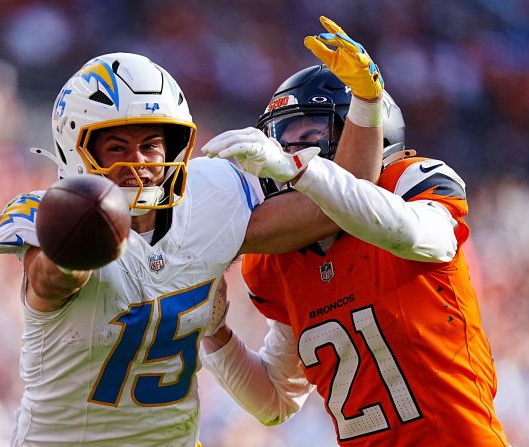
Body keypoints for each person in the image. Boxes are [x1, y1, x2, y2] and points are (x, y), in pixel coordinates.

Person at [0, 20, 385, 447]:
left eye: (151, 145)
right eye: (117, 147)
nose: (139, 162)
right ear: (77, 149)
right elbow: (50, 280)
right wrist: (79, 238)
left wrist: (367, 102)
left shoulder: (211, 196)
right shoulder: (52, 217)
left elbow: (340, 207)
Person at [200, 17, 510, 447]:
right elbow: (275, 401)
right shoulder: (279, 261)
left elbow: (407, 233)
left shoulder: (411, 185)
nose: (289, 153)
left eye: (308, 136)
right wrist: (214, 333)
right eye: (282, 142)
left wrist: (305, 172)